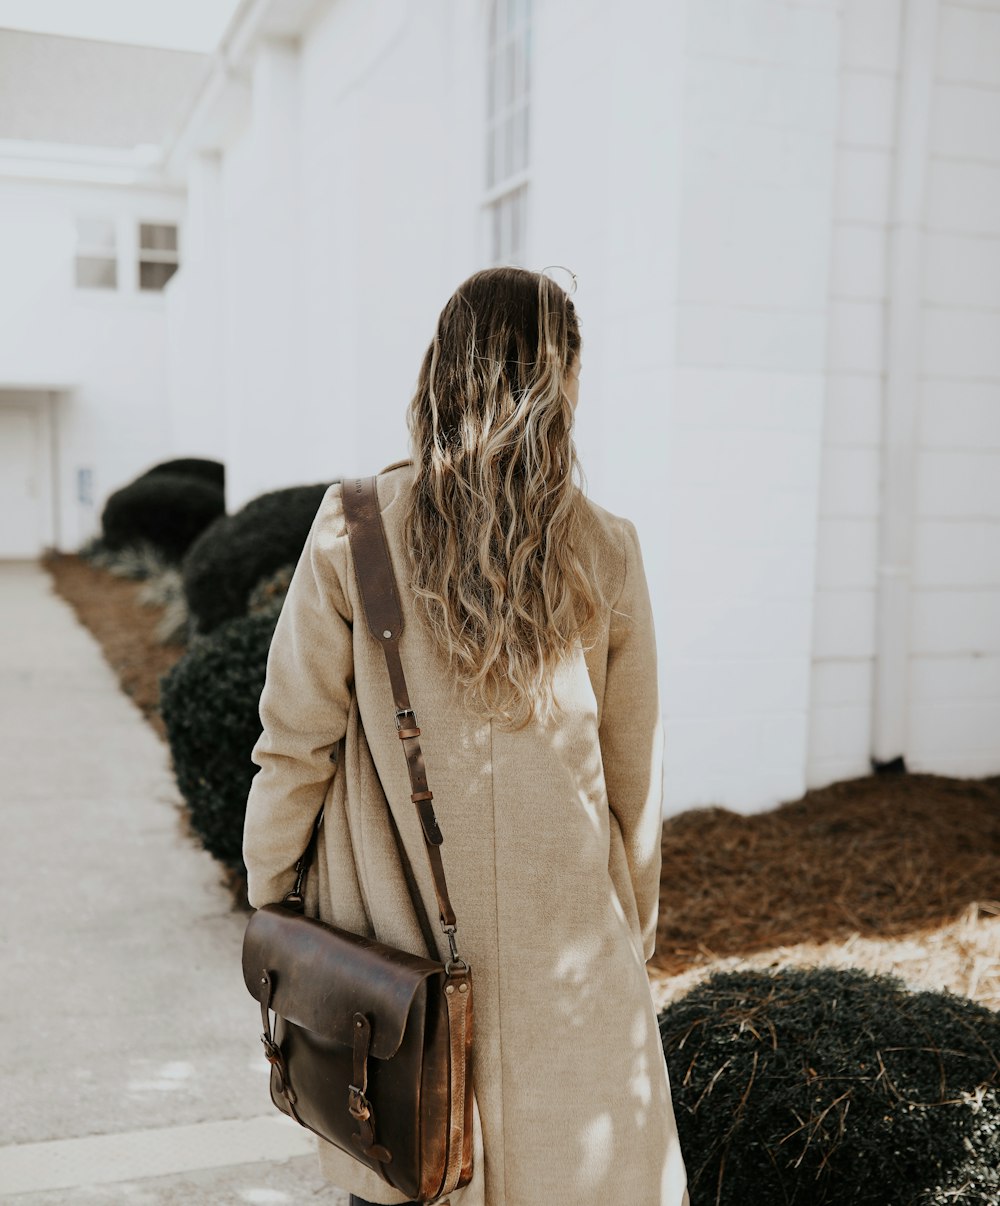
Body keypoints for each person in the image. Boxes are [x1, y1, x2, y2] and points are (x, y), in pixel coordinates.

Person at [242, 267, 690, 1205]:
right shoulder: (607, 549)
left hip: (394, 969)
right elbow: (631, 774)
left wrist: (272, 898)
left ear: (441, 373)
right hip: (568, 959)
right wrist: (631, 930)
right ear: (560, 387)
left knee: (413, 1169)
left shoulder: (355, 528)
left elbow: (294, 745)